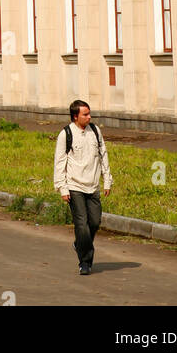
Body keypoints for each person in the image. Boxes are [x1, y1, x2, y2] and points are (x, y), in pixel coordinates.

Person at [53, 99, 113, 275]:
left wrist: (107, 180)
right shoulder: (66, 134)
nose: (89, 117)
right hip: (74, 186)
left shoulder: (95, 131)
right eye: (85, 114)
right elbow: (59, 163)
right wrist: (62, 188)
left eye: (89, 113)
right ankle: (85, 262)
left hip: (92, 186)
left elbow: (103, 155)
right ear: (75, 116)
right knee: (82, 225)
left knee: (94, 222)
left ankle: (79, 244)